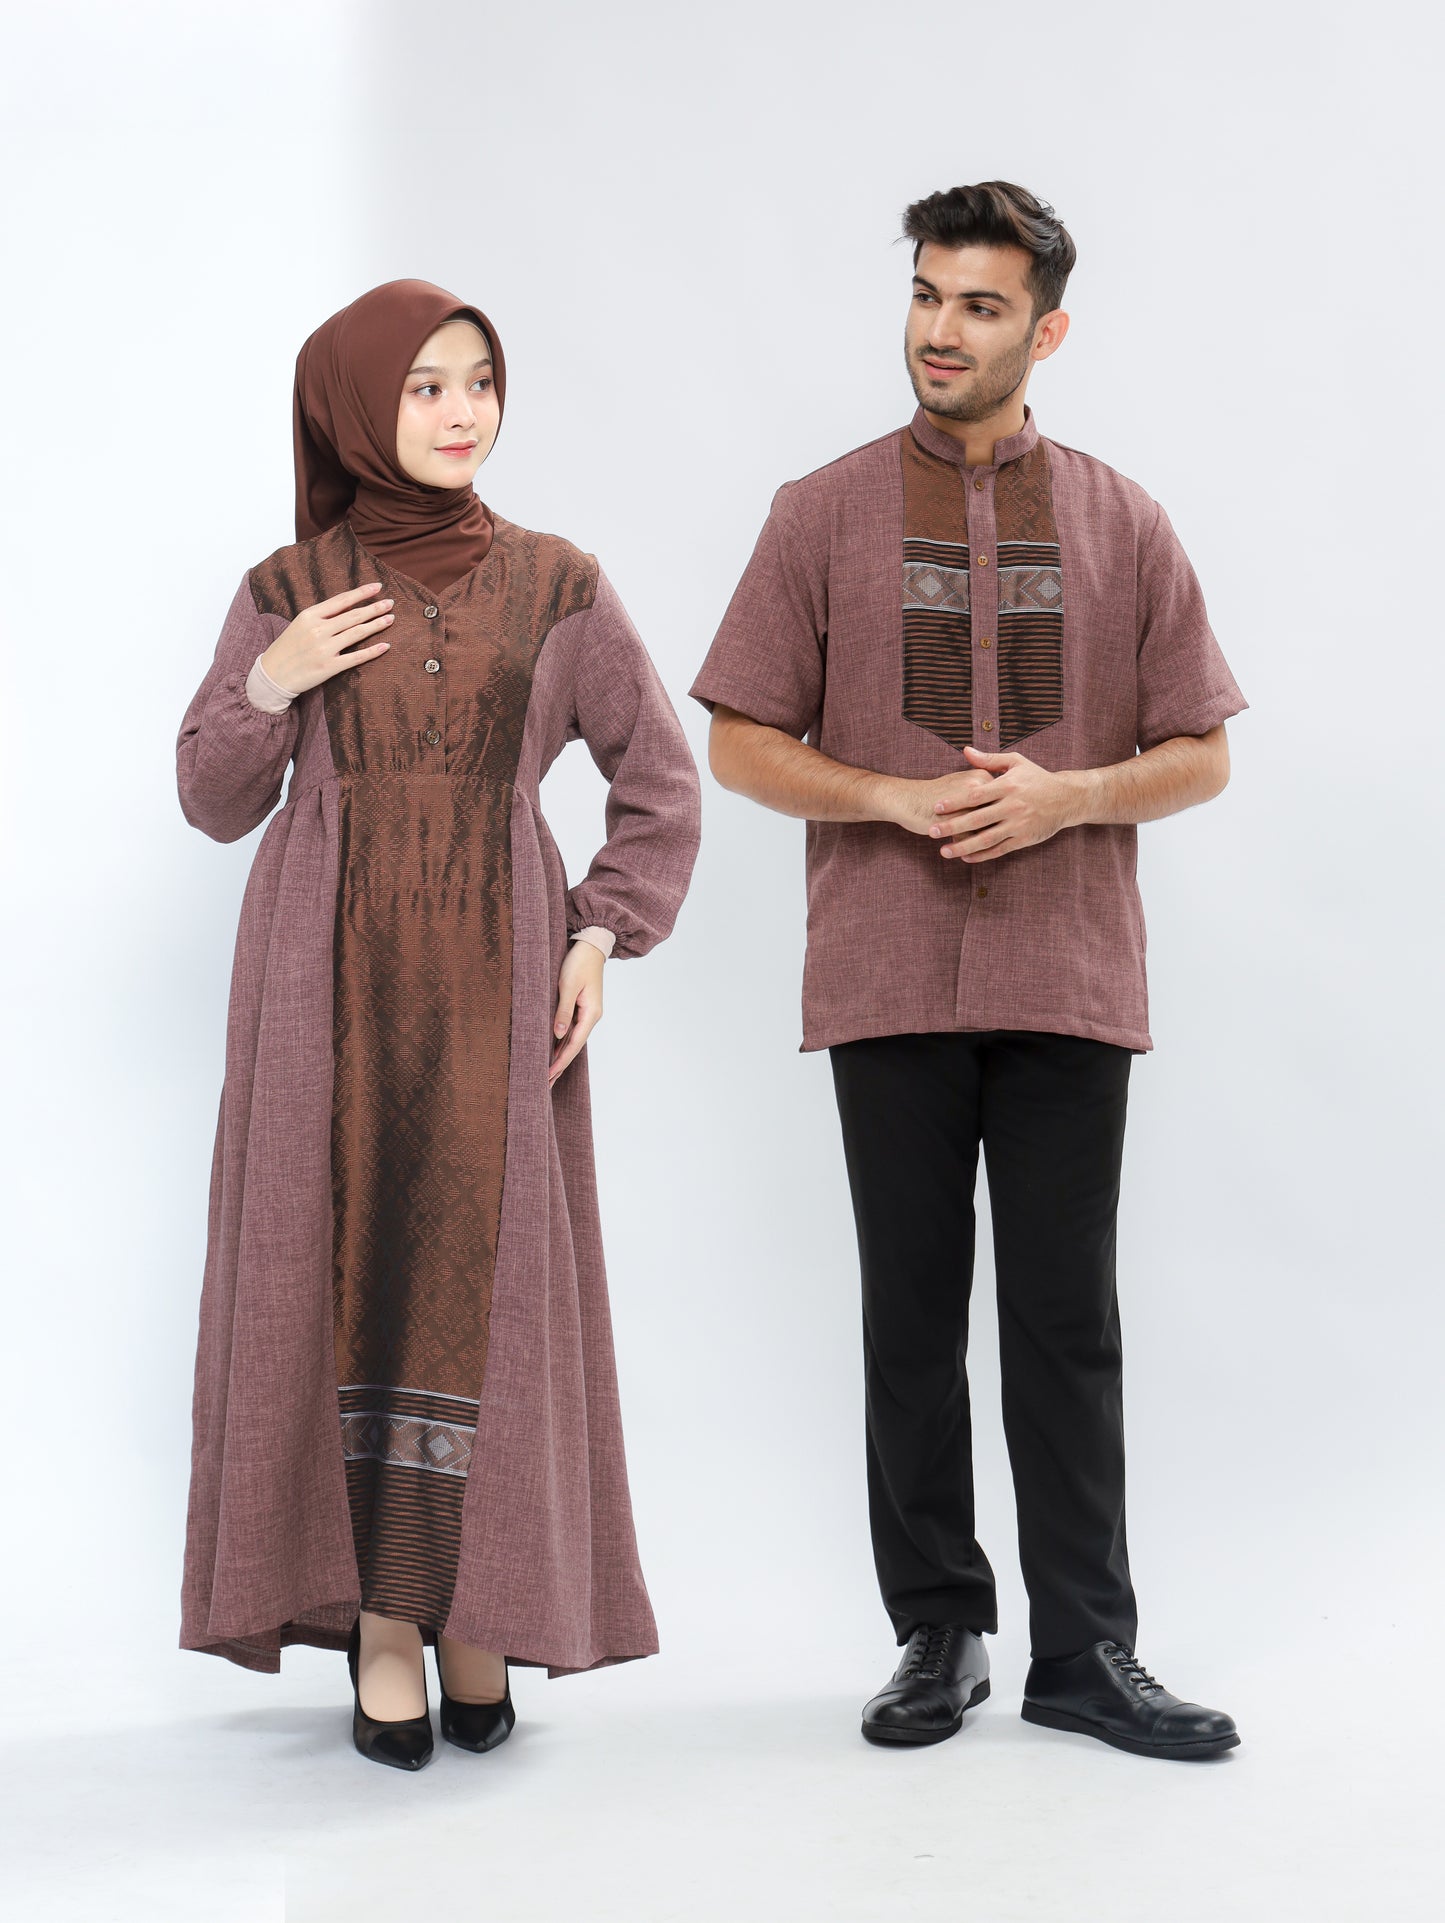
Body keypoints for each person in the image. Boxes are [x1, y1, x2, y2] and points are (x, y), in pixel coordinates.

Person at [688, 183, 1247, 1760]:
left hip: (1068, 974)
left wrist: (1071, 796)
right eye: (927, 295)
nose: (940, 329)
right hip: (886, 974)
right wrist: (884, 796)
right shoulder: (819, 510)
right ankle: (936, 1632)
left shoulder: (1125, 520)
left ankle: (1085, 1650)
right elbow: (737, 737)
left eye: (979, 305)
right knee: (909, 1321)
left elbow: (1201, 750)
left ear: (1044, 332)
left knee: (1067, 1328)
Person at [176, 278, 700, 1770]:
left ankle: (480, 1606)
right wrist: (270, 683)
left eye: (479, 381)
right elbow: (212, 798)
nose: (463, 411)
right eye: (424, 387)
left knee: (485, 1277)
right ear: (355, 406)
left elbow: (659, 781)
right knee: (344, 1267)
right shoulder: (289, 590)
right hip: (323, 983)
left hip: (499, 978)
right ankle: (383, 1624)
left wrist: (601, 927)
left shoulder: (558, 584)